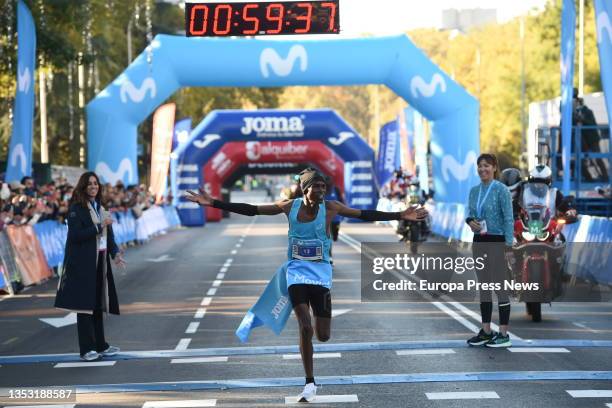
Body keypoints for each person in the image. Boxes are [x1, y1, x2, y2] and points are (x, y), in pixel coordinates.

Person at [185, 168, 428, 402]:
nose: (322, 190)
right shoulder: (289, 207)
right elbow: (252, 210)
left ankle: (315, 330)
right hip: (296, 272)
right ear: (305, 190)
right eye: (316, 186)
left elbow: (364, 214)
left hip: (321, 274)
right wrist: (214, 203)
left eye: (324, 186)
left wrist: (399, 215)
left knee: (323, 335)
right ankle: (309, 381)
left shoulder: (331, 208)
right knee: (304, 325)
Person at [54, 171, 126, 361]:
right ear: (83, 187)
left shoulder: (101, 207)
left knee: (97, 305)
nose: (94, 186)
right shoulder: (76, 208)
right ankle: (86, 349)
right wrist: (98, 226)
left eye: (96, 183)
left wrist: (115, 254)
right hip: (82, 264)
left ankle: (100, 345)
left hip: (99, 262)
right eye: (90, 184)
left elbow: (109, 236)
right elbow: (76, 235)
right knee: (84, 307)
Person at [465, 154, 514, 348]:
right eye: (479, 166)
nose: (482, 169)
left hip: (497, 242)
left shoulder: (501, 190)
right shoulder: (474, 191)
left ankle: (503, 334)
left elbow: (509, 219)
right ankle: (486, 331)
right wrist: (470, 222)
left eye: (486, 166)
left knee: (500, 288)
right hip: (479, 242)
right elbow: (470, 214)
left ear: (494, 168)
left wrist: (509, 246)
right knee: (484, 287)